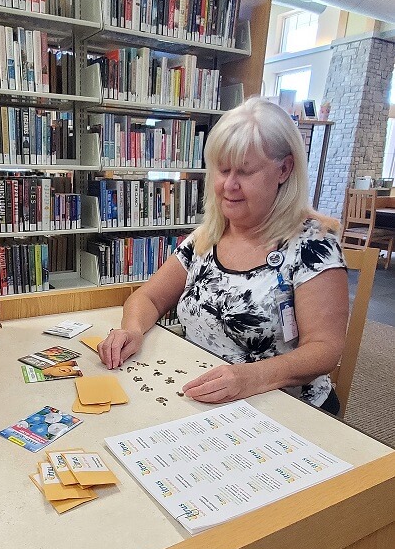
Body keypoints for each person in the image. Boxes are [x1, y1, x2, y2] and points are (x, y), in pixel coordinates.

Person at [98, 96, 348, 414]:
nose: (229, 185)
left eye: (245, 172)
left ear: (284, 169)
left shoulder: (314, 246)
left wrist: (251, 377)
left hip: (284, 406)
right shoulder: (207, 237)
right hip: (205, 399)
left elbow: (326, 349)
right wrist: (132, 329)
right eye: (222, 169)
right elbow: (148, 299)